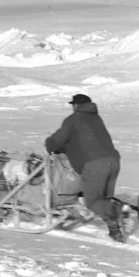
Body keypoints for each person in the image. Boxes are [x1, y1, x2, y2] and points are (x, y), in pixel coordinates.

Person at [45, 94, 123, 242]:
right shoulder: (96, 118)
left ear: (76, 105)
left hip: (94, 164)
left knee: (92, 200)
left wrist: (49, 143)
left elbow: (57, 141)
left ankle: (115, 224)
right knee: (104, 197)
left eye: (73, 105)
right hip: (113, 161)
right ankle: (115, 212)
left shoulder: (73, 119)